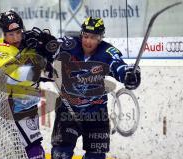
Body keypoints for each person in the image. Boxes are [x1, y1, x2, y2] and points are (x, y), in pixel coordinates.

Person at [51, 17, 141, 159]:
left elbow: (119, 66)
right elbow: (49, 49)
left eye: (93, 37)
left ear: (100, 38)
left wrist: (128, 75)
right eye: (86, 36)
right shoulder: (69, 44)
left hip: (96, 113)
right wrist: (42, 48)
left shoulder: (107, 51)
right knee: (60, 154)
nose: (88, 41)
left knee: (96, 156)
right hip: (68, 110)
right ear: (81, 34)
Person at [0, 10, 57, 159]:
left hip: (29, 102)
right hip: (10, 104)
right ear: (4, 34)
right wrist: (40, 66)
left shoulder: (28, 41)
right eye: (10, 34)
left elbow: (55, 53)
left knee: (27, 145)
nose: (15, 38)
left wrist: (47, 46)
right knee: (33, 146)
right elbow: (17, 73)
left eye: (18, 32)